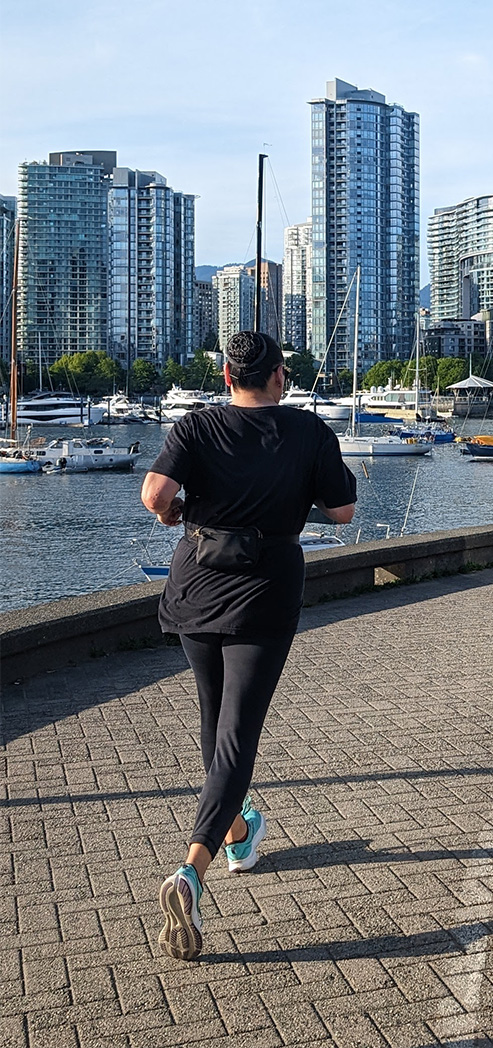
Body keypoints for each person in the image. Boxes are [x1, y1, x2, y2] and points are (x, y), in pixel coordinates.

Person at [141, 331, 356, 961]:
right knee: (237, 736)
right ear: (278, 376)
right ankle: (192, 869)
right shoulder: (308, 430)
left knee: (214, 721)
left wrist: (176, 512)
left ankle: (238, 828)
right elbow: (342, 512)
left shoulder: (197, 425)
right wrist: (290, 494)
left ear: (229, 374)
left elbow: (154, 495)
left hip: (197, 584)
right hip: (264, 590)